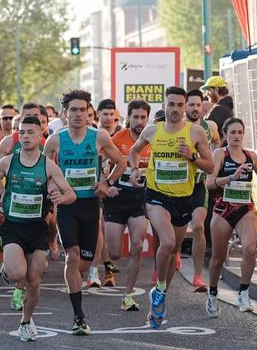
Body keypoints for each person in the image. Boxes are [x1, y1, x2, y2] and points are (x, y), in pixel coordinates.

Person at [127, 86, 215, 329]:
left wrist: (193, 157)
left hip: (183, 198)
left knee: (174, 250)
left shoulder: (196, 133)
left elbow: (209, 167)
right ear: (164, 106)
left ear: (185, 106)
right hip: (156, 196)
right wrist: (135, 170)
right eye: (171, 104)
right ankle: (160, 289)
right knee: (166, 243)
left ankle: (161, 293)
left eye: (180, 105)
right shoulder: (152, 130)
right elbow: (134, 152)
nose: (175, 109)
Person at [43, 90, 125, 336]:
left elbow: (121, 162)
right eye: (73, 110)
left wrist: (107, 183)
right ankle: (78, 316)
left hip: (91, 206)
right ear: (64, 114)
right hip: (67, 205)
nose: (78, 114)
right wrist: (52, 189)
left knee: (84, 263)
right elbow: (45, 169)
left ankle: (81, 277)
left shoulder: (98, 136)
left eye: (83, 110)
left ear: (89, 113)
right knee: (72, 256)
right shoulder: (55, 140)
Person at [0, 115, 77, 340]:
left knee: (34, 279)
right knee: (19, 273)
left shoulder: (48, 165)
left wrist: (58, 197)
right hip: (12, 227)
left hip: (37, 228)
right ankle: (8, 263)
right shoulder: (8, 161)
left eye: (30, 132)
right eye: (22, 132)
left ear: (40, 135)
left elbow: (71, 194)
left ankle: (25, 321)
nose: (25, 136)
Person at [206, 118, 257, 316]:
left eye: (240, 132)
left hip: (245, 208)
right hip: (223, 210)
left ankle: (243, 292)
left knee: (251, 249)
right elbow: (209, 183)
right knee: (218, 258)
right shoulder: (220, 154)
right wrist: (231, 178)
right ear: (225, 134)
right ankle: (213, 293)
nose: (237, 136)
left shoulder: (251, 156)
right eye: (232, 132)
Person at [104, 100, 152, 311]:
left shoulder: (152, 140)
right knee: (115, 253)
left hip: (139, 199)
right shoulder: (117, 138)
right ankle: (106, 264)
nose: (139, 121)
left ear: (147, 119)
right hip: (116, 198)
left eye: (143, 117)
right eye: (135, 117)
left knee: (137, 246)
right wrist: (108, 184)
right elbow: (104, 165)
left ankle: (128, 294)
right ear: (128, 118)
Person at [185, 89, 221, 293]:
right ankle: (171, 259)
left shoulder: (211, 126)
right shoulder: (177, 128)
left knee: (198, 226)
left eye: (198, 105)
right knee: (174, 233)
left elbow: (217, 142)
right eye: (191, 105)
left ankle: (197, 276)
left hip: (199, 184)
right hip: (178, 186)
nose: (195, 108)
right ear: (185, 107)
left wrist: (213, 167)